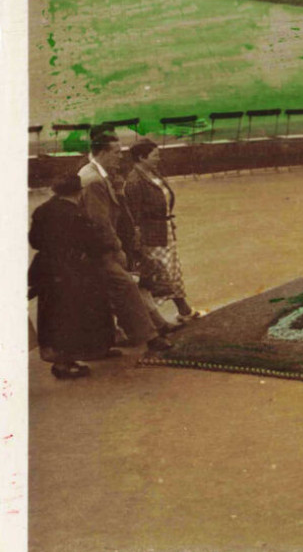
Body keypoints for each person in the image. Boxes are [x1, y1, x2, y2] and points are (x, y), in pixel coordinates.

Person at [77, 134, 171, 352]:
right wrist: (117, 249)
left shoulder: (96, 174)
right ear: (102, 152)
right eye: (116, 152)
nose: (120, 157)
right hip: (101, 251)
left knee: (122, 289)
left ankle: (146, 332)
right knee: (127, 286)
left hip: (98, 248)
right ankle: (151, 337)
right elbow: (100, 222)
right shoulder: (94, 181)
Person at [29, 174, 118, 379]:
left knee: (53, 316)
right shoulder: (76, 214)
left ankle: (64, 360)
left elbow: (35, 241)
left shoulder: (42, 210)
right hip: (75, 271)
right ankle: (65, 364)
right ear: (79, 192)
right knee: (73, 316)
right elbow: (92, 244)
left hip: (48, 271)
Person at [123, 139, 199, 322]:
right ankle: (153, 320)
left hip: (165, 230)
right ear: (141, 157)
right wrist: (138, 242)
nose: (159, 158)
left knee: (171, 270)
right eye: (155, 155)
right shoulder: (134, 181)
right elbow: (134, 215)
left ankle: (183, 310)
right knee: (158, 275)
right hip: (152, 235)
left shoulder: (152, 173)